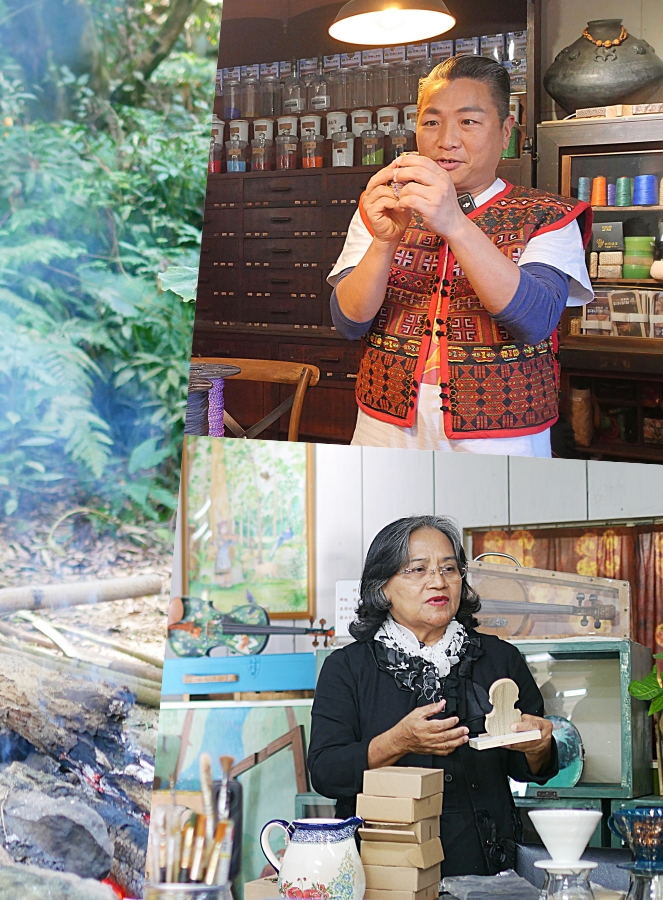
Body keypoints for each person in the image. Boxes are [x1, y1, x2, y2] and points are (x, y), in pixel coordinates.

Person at [328, 56, 593, 456]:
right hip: (383, 427)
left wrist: (454, 223)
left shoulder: (548, 215)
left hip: (502, 437)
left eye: (469, 122)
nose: (446, 139)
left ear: (506, 132)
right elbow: (348, 321)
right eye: (431, 122)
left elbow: (535, 319)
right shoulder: (384, 207)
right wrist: (384, 243)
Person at [307, 516, 558, 876]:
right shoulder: (347, 668)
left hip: (490, 865)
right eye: (417, 569)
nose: (438, 581)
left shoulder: (500, 658)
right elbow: (326, 773)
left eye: (449, 569)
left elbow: (531, 769)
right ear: (383, 587)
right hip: (386, 869)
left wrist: (538, 747)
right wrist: (397, 742)